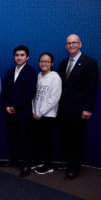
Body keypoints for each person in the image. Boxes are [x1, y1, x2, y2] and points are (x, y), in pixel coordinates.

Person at [57, 34, 99, 180]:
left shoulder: (90, 62)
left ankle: (74, 168)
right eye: (68, 43)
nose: (71, 45)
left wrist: (88, 108)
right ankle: (69, 163)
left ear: (80, 44)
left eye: (74, 43)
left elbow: (92, 88)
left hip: (80, 110)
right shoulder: (63, 63)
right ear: (65, 46)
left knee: (77, 139)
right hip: (63, 109)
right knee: (66, 138)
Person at [1, 45, 37, 177]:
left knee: (25, 139)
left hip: (23, 112)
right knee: (12, 137)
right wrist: (6, 105)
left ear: (27, 57)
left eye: (22, 55)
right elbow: (5, 91)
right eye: (17, 55)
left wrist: (15, 106)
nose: (19, 57)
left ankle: (26, 165)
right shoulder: (10, 72)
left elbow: (30, 92)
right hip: (9, 112)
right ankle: (13, 160)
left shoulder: (31, 72)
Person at [32, 53, 62, 175]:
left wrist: (40, 112)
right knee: (38, 140)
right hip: (36, 114)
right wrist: (34, 111)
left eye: (47, 61)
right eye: (41, 61)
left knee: (47, 141)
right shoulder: (38, 75)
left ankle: (48, 164)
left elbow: (54, 98)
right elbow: (33, 96)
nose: (43, 63)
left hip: (48, 115)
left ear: (52, 63)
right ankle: (40, 161)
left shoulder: (55, 77)